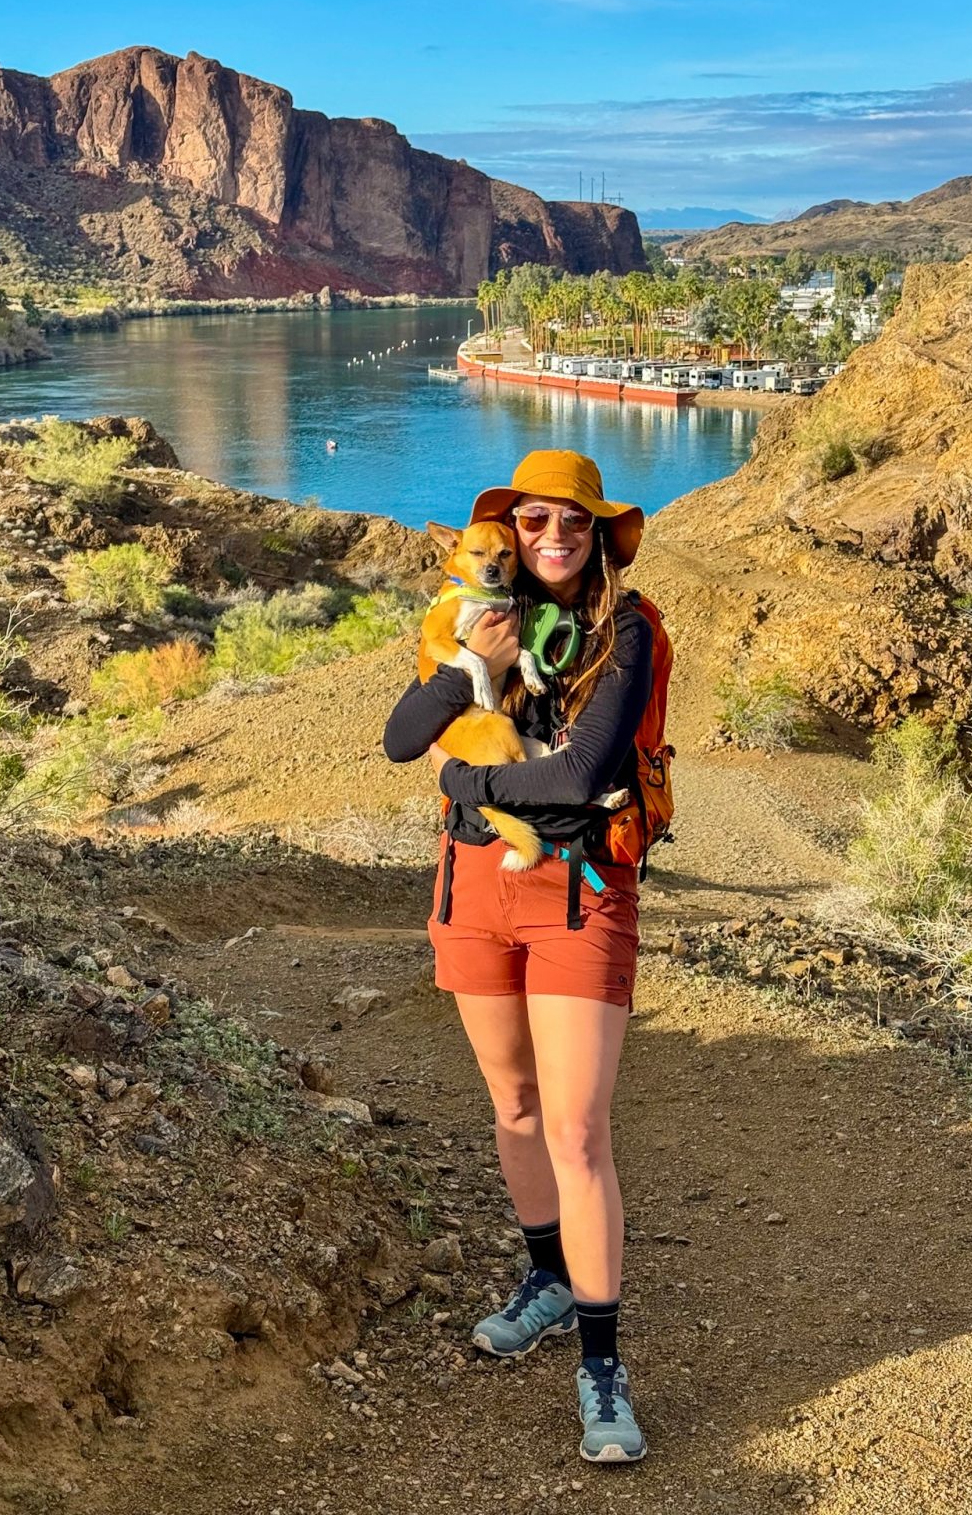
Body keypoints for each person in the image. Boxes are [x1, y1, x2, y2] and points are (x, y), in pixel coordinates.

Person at [383, 450, 652, 1464]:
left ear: (596, 538)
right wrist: (475, 670)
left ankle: (602, 1363)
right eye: (530, 522)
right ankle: (546, 1276)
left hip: (577, 894)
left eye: (569, 526)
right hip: (474, 892)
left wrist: (467, 784)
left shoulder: (623, 631)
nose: (547, 541)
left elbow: (586, 770)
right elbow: (403, 739)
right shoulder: (460, 620)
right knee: (515, 1107)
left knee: (578, 1131)